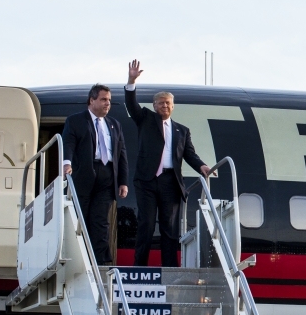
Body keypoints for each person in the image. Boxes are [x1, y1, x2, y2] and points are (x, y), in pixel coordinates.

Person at [124, 60, 213, 267]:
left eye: (168, 103)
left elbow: (189, 154)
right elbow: (131, 105)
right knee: (146, 225)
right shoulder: (145, 119)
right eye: (161, 103)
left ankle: (170, 268)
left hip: (170, 182)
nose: (165, 105)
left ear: (173, 106)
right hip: (147, 181)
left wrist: (202, 167)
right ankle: (140, 267)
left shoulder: (182, 130)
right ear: (154, 106)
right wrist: (131, 81)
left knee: (170, 229)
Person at [61, 84, 129, 265]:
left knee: (101, 221)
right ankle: (79, 259)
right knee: (81, 217)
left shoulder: (114, 125)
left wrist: (123, 181)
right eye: (104, 99)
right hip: (84, 174)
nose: (108, 104)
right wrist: (66, 163)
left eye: (109, 100)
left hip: (107, 176)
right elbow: (68, 143)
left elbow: (121, 154)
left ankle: (100, 262)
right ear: (92, 100)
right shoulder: (75, 121)